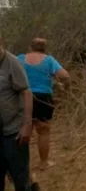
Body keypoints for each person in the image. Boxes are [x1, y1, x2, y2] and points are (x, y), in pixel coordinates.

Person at [17, 38, 70, 171]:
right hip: (43, 98)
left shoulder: (19, 59)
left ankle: (21, 165)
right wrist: (66, 90)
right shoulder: (49, 60)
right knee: (43, 131)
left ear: (30, 47)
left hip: (22, 96)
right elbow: (65, 76)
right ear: (45, 48)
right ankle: (43, 163)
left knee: (24, 130)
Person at [0, 33, 33, 191]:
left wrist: (27, 125)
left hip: (13, 133)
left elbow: (26, 92)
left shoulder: (12, 62)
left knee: (20, 178)